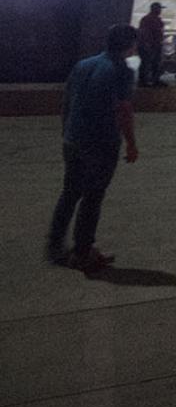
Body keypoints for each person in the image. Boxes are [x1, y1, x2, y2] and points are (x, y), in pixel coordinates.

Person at [46, 24, 140, 271]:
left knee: (69, 193)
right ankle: (83, 251)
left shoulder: (84, 64)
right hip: (100, 143)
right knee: (92, 198)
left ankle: (55, 247)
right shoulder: (121, 71)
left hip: (74, 139)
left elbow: (67, 101)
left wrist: (66, 132)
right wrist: (131, 144)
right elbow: (124, 110)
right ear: (129, 45)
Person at [137, 2, 165, 87]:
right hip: (149, 45)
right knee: (146, 63)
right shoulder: (147, 19)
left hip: (156, 45)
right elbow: (144, 33)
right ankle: (143, 82)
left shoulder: (157, 19)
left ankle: (155, 80)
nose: (161, 10)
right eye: (159, 8)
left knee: (156, 63)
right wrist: (147, 44)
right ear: (155, 9)